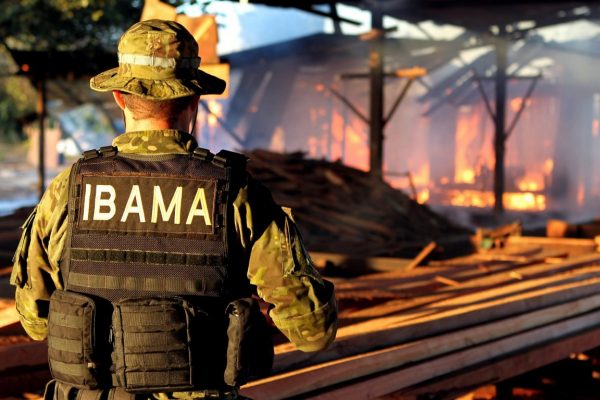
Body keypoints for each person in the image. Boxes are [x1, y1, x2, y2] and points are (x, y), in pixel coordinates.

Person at [11, 19, 337, 400]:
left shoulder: (70, 189)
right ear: (194, 100)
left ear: (119, 97)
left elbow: (35, 321)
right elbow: (313, 331)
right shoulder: (236, 193)